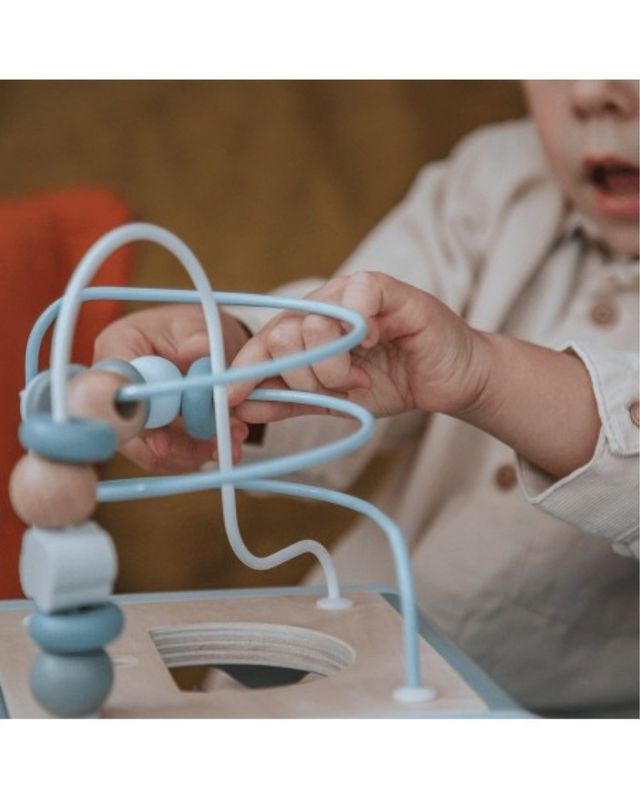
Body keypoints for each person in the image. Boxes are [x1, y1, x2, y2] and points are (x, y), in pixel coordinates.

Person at [94, 81, 639, 717]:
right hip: (324, 674)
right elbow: (343, 350)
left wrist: (486, 373)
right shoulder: (492, 180)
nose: (593, 89)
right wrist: (229, 358)